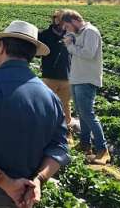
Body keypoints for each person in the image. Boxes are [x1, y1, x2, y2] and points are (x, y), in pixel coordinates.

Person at [0, 21, 70, 208]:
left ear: (2, 47)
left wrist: (4, 182)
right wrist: (39, 180)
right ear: (32, 55)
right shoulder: (49, 96)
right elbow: (59, 147)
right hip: (27, 194)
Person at [61, 9, 110, 165]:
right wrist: (71, 38)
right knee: (82, 114)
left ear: (74, 21)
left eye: (67, 27)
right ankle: (85, 144)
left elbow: (88, 53)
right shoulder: (78, 33)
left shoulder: (91, 32)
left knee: (88, 114)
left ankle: (103, 150)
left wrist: (70, 46)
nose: (67, 30)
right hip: (77, 78)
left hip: (87, 79)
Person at [39, 9, 73, 143]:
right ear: (54, 19)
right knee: (48, 105)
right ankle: (46, 132)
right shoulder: (44, 35)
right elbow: (37, 52)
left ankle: (67, 133)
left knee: (65, 106)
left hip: (67, 76)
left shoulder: (70, 36)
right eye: (58, 19)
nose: (61, 22)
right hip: (49, 76)